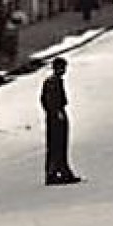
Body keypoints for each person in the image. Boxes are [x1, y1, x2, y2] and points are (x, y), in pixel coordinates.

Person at [40, 57, 81, 185]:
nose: (64, 70)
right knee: (57, 144)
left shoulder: (54, 81)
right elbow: (49, 101)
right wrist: (56, 112)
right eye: (62, 68)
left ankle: (61, 171)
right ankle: (54, 172)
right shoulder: (53, 82)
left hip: (55, 115)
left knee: (58, 145)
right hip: (56, 116)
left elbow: (43, 99)